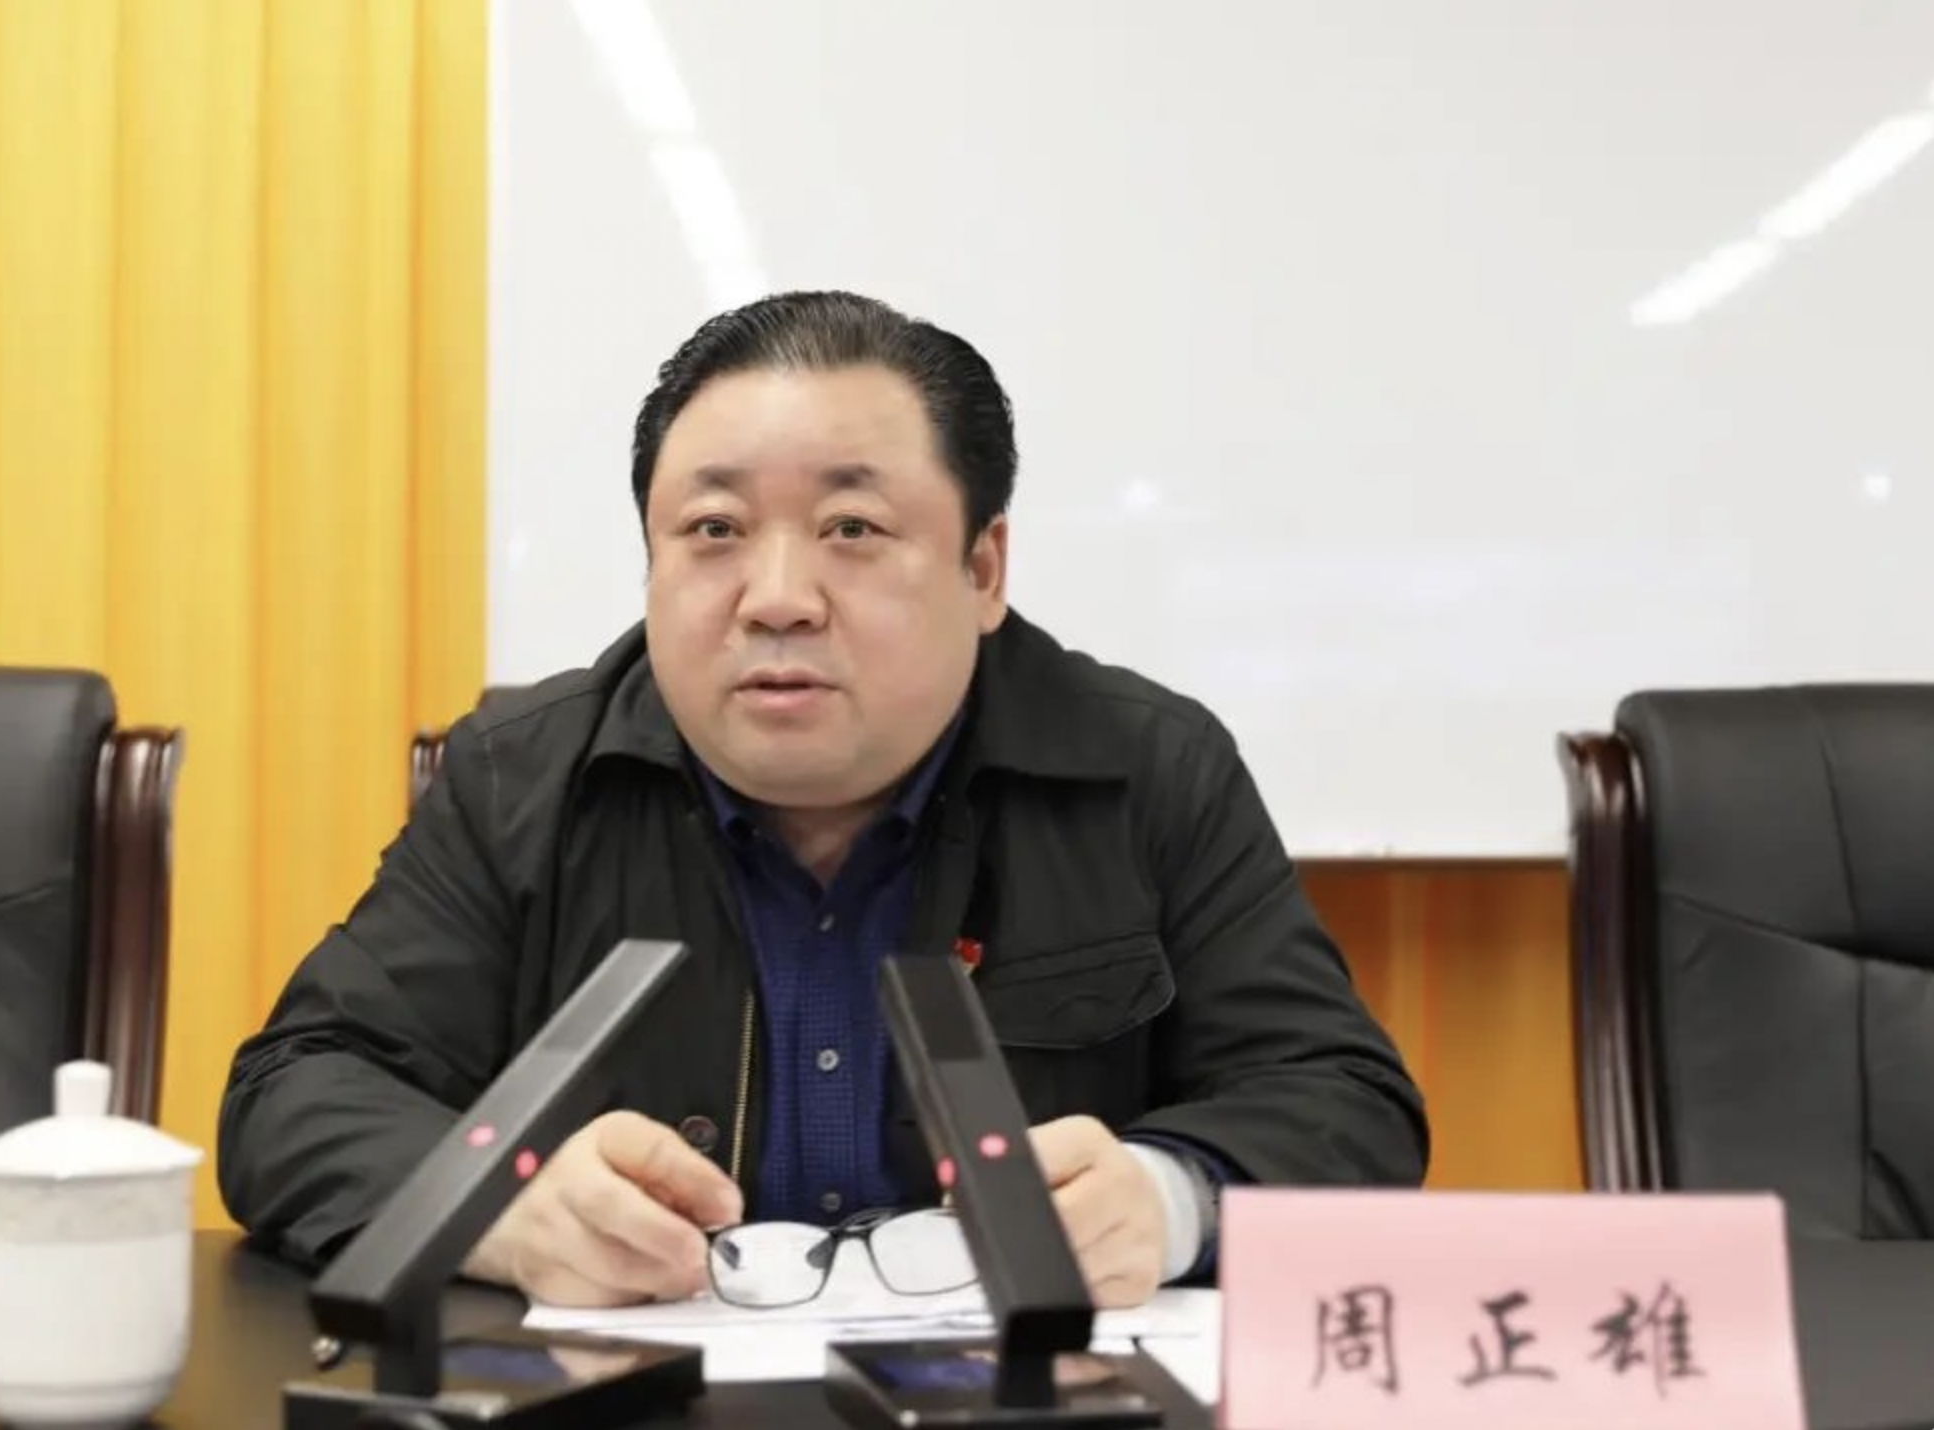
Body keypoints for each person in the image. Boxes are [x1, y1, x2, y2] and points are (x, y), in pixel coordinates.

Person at [218, 291, 1427, 1310]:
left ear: (983, 568)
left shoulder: (1145, 767)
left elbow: (1343, 1100)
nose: (777, 596)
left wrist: (1169, 1198)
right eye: (714, 529)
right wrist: (504, 1210)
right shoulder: (520, 777)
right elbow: (296, 1092)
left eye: (852, 526)